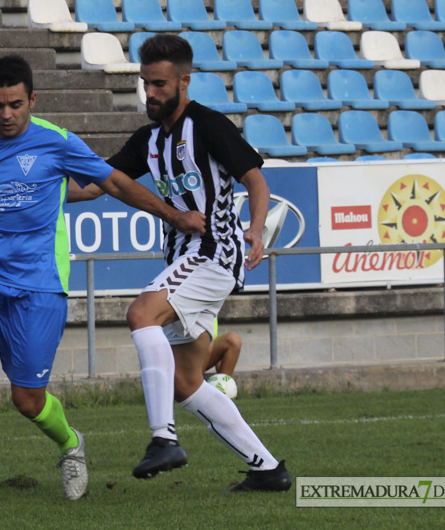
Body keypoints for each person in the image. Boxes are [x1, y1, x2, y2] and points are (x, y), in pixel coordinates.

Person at [0, 54, 206, 512]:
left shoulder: (58, 143)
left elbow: (116, 184)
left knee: (27, 400)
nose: (6, 114)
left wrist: (175, 214)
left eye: (14, 104)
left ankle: (70, 443)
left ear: (32, 99)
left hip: (36, 289)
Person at [68, 34, 291, 492]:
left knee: (140, 313)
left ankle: (163, 438)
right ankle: (267, 469)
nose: (150, 93)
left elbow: (256, 180)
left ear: (184, 81)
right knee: (187, 382)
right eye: (146, 83)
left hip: (213, 253)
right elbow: (97, 186)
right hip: (187, 257)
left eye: (160, 84)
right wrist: (31, 192)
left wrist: (255, 226)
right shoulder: (148, 140)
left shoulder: (208, 125)